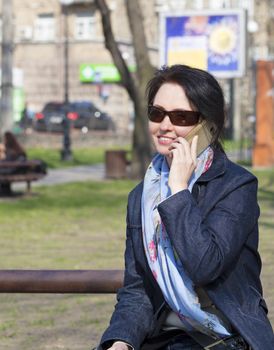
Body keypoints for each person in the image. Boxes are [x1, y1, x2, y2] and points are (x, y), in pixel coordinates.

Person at [96, 65, 274, 350]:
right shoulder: (142, 196)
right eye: (156, 113)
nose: (164, 125)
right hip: (162, 338)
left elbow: (205, 266)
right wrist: (120, 341)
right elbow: (138, 288)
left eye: (181, 117)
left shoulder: (236, 186)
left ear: (208, 126)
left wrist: (178, 190)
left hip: (226, 339)